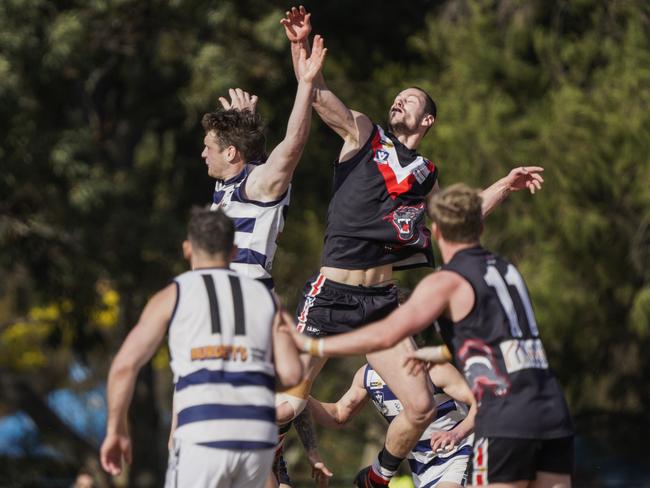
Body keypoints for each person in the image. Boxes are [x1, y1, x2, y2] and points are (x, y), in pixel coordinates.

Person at [279, 6, 545, 487]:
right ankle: (259, 460)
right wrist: (300, 50)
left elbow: (459, 218)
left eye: (410, 100)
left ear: (429, 120)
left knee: (420, 405)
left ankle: (374, 480)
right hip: (331, 294)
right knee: (290, 403)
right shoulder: (364, 134)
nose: (398, 102)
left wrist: (505, 185)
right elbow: (318, 98)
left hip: (380, 303)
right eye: (397, 98)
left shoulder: (426, 174)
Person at [288, 184, 574, 488]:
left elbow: (385, 333)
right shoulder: (505, 269)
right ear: (480, 225)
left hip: (504, 411)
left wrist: (314, 343)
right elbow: (496, 342)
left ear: (435, 231)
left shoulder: (447, 281)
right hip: (550, 407)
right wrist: (435, 353)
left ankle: (380, 474)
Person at [201, 38, 333, 486]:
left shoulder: (260, 186)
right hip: (225, 310)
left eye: (209, 147)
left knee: (256, 424)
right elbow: (254, 151)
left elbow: (292, 145)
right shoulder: (232, 184)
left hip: (247, 307)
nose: (203, 153)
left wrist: (306, 85)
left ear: (231, 154)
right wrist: (244, 119)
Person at [100, 207, 303, 487]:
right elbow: (292, 374)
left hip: (203, 431)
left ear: (187, 248)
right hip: (256, 434)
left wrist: (116, 430)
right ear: (233, 251)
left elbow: (124, 366)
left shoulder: (173, 294)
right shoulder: (267, 299)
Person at [308, 361, 476, 488]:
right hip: (420, 468)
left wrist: (457, 433)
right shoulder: (367, 375)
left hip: (459, 453)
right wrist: (297, 397)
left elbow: (483, 405)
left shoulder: (433, 368)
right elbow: (338, 415)